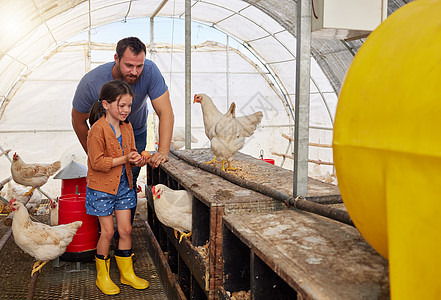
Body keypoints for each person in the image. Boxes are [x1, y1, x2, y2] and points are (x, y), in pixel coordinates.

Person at [72, 36, 174, 227]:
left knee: (129, 180)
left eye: (139, 66)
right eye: (128, 65)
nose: (134, 72)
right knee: (104, 181)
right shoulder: (91, 82)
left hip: (135, 132)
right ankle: (104, 230)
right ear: (116, 58)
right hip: (102, 136)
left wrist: (163, 152)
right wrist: (94, 155)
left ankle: (124, 233)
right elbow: (78, 121)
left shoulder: (150, 71)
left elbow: (165, 112)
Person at [86, 80, 149, 295]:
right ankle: (102, 276)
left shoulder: (127, 126)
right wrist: (124, 158)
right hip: (102, 187)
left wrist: (137, 159)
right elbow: (97, 163)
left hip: (124, 185)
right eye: (121, 105)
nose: (126, 110)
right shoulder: (97, 130)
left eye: (129, 106)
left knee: (126, 229)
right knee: (107, 232)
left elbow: (131, 151)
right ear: (105, 104)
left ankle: (126, 273)